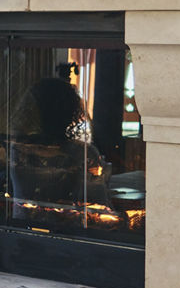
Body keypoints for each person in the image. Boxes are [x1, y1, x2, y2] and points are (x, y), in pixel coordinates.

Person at [8, 77, 111, 207]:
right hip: (67, 224)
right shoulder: (82, 153)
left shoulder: (16, 148)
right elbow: (99, 201)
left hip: (23, 223)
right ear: (70, 113)